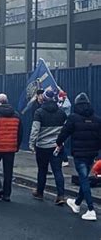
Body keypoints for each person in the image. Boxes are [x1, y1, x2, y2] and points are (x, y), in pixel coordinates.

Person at [56, 92, 101, 221]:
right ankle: (76, 204)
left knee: (83, 179)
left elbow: (64, 132)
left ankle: (91, 209)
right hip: (92, 153)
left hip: (79, 153)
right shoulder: (97, 119)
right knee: (84, 178)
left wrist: (59, 143)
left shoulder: (73, 118)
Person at [29, 89, 67, 205]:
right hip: (57, 146)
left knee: (42, 170)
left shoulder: (39, 112)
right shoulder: (61, 112)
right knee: (57, 171)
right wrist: (61, 143)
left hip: (42, 146)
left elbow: (35, 130)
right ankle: (60, 195)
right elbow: (65, 129)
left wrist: (32, 144)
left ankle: (40, 192)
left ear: (44, 99)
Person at [57, 90, 72, 167]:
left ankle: (65, 159)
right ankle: (62, 159)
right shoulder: (62, 102)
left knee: (61, 143)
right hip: (61, 124)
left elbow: (64, 106)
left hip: (64, 125)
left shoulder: (66, 104)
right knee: (61, 143)